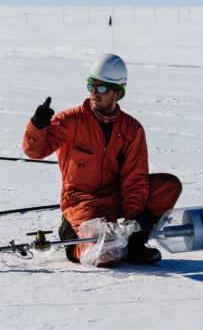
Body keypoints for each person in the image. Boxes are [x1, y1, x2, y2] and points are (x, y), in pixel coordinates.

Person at [22, 53, 182, 265]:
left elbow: (135, 178)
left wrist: (134, 222)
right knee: (104, 256)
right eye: (91, 86)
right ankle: (72, 236)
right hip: (81, 200)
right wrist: (37, 125)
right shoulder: (70, 120)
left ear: (118, 92)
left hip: (115, 196)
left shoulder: (131, 129)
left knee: (168, 186)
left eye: (102, 88)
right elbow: (34, 151)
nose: (94, 92)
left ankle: (133, 245)